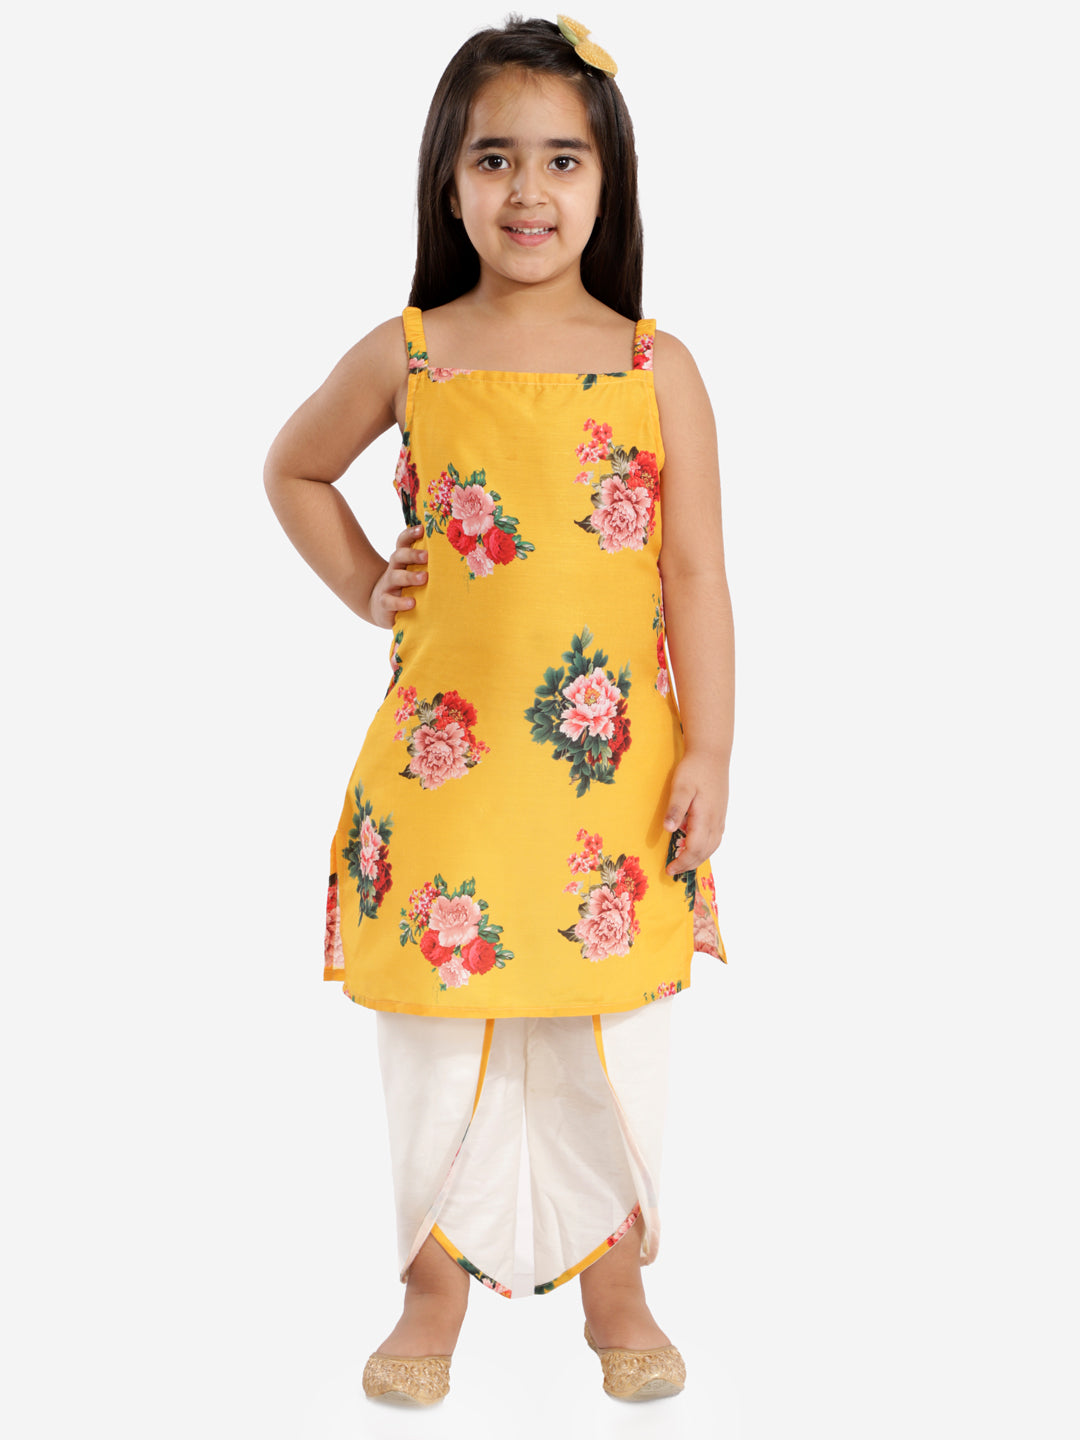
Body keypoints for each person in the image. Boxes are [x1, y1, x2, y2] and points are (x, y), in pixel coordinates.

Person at [263, 13, 734, 1407]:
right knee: (437, 1030)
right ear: (449, 178)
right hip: (447, 773)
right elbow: (293, 470)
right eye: (495, 158)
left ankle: (618, 1282)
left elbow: (696, 574)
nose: (530, 191)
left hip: (611, 777)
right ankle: (430, 1286)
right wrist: (368, 585)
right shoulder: (412, 351)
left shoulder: (656, 368)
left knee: (607, 1022)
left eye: (563, 159)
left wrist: (713, 745)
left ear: (609, 178)